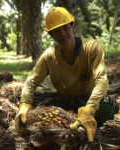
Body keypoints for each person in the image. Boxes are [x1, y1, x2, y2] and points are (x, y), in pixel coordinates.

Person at [15, 7, 118, 142]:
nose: (62, 34)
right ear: (52, 35)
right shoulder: (49, 56)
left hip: (88, 98)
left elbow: (101, 80)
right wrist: (24, 104)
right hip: (64, 100)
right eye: (57, 31)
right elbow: (31, 81)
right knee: (24, 102)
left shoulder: (92, 48)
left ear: (73, 26)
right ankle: (63, 125)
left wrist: (90, 108)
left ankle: (90, 122)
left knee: (106, 108)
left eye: (65, 28)